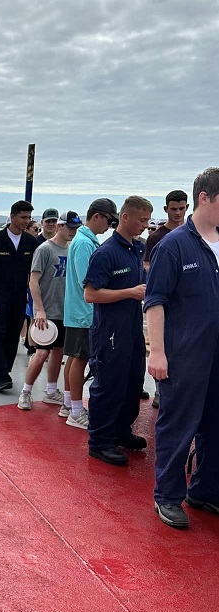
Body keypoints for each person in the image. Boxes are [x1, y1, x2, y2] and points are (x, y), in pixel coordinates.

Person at [145, 169, 219, 528]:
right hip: (185, 353)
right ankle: (168, 496)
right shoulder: (173, 246)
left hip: (217, 355)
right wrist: (156, 352)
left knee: (215, 424)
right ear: (205, 198)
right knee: (178, 425)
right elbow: (155, 301)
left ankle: (205, 490)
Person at [84, 196, 153, 466]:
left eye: (148, 221)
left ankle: (121, 431)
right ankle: (100, 442)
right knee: (110, 384)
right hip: (110, 331)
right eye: (141, 220)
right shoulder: (106, 253)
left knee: (133, 382)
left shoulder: (136, 250)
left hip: (132, 328)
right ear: (125, 218)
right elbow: (91, 294)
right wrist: (130, 293)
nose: (145, 226)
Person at [61, 198, 118, 429]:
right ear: (97, 217)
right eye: (109, 221)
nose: (109, 226)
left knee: (74, 357)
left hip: (78, 312)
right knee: (80, 359)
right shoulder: (85, 244)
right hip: (85, 313)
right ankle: (75, 410)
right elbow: (89, 280)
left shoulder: (82, 240)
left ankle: (68, 403)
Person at [18, 211, 81, 412]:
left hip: (65, 310)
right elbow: (33, 280)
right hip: (47, 310)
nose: (73, 232)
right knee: (42, 352)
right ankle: (26, 392)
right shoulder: (45, 250)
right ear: (60, 226)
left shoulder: (72, 249)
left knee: (59, 351)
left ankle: (51, 390)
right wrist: (39, 309)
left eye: (75, 228)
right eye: (70, 227)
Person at [0, 200, 37, 391]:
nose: (25, 221)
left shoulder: (30, 243)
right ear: (12, 217)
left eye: (28, 218)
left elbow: (34, 273)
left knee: (12, 335)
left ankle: (5, 371)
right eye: (22, 217)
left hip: (19, 297)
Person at [143, 189, 189, 408]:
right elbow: (148, 268)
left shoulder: (193, 235)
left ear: (187, 208)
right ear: (166, 209)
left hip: (186, 305)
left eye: (181, 209)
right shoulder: (156, 238)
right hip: (164, 302)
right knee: (161, 345)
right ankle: (160, 390)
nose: (178, 213)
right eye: (174, 209)